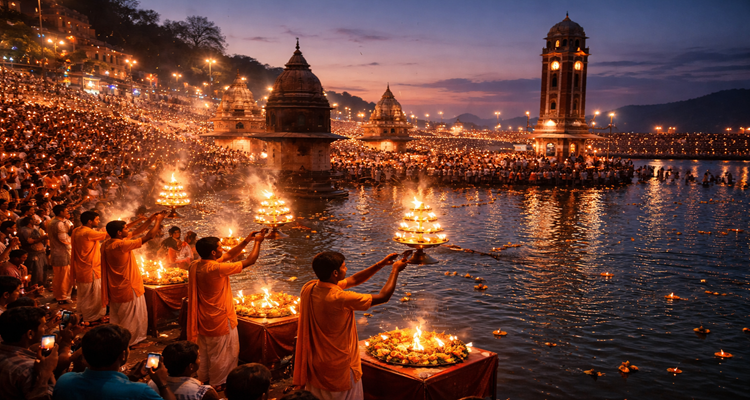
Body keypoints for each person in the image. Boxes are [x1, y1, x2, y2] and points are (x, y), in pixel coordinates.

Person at [293, 250, 412, 400]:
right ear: (335, 273)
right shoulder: (339, 298)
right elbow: (384, 297)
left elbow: (353, 280)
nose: (347, 269)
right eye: (344, 267)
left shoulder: (309, 288)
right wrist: (395, 270)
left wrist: (380, 264)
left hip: (316, 363)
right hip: (339, 367)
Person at [187, 228, 268, 389]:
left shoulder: (196, 265)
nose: (222, 249)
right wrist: (257, 243)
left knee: (204, 352)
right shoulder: (216, 269)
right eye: (219, 247)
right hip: (219, 319)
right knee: (221, 355)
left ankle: (204, 378)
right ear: (212, 252)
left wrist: (246, 241)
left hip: (202, 318)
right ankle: (218, 383)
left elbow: (229, 255)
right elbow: (250, 261)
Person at [53, 324, 176, 400]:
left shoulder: (65, 382)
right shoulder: (140, 392)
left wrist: (131, 377)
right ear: (123, 355)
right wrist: (162, 384)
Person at [101, 211, 167, 347]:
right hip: (128, 286)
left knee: (118, 316)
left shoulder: (107, 244)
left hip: (115, 286)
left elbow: (137, 231)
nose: (128, 230)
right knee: (131, 317)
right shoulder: (121, 245)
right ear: (119, 233)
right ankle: (131, 342)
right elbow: (150, 235)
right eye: (125, 228)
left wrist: (150, 219)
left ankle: (117, 339)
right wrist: (158, 221)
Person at [0, 306, 59, 400]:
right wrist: (47, 371)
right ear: (30, 334)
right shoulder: (29, 369)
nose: (45, 329)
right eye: (43, 326)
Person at [70, 211, 109, 323]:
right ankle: (91, 317)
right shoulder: (88, 233)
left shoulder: (77, 230)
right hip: (90, 270)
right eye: (97, 219)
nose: (99, 221)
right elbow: (110, 234)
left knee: (83, 295)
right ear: (89, 221)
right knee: (92, 296)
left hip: (82, 268)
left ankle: (82, 314)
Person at [147, 341, 219, 400]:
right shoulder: (202, 392)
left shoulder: (152, 385)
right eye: (198, 358)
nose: (200, 360)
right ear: (191, 366)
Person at [47, 204, 73, 305]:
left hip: (61, 252)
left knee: (61, 276)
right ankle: (62, 296)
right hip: (62, 253)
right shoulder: (58, 224)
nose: (68, 212)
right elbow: (64, 240)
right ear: (61, 212)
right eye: (66, 211)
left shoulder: (60, 221)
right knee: (63, 277)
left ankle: (61, 295)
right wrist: (72, 236)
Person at [17, 216, 48, 287]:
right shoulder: (24, 230)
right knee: (35, 271)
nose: (36, 220)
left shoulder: (34, 228)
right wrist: (42, 238)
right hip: (33, 254)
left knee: (42, 271)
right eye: (33, 219)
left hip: (40, 253)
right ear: (29, 221)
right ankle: (34, 287)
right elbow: (29, 241)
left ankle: (41, 285)